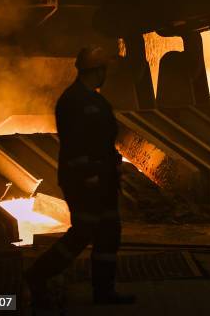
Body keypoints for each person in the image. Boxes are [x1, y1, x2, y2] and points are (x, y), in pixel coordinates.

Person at [25, 46, 135, 308]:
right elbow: (74, 144)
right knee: (83, 231)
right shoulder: (73, 101)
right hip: (85, 181)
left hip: (104, 179)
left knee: (109, 233)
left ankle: (104, 292)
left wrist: (113, 168)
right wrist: (88, 175)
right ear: (96, 71)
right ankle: (38, 275)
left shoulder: (96, 101)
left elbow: (103, 141)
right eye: (104, 70)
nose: (105, 75)